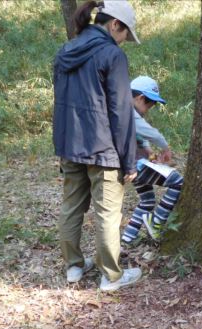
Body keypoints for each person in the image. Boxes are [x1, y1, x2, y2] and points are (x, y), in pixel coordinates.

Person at [54, 0, 143, 292]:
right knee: (107, 212)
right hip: (103, 148)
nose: (124, 41)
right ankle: (111, 276)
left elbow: (62, 102)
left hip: (69, 143)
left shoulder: (66, 51)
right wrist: (129, 160)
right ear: (114, 24)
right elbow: (121, 112)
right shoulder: (111, 55)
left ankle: (74, 267)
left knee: (71, 206)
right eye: (125, 34)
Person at [121, 76, 183, 245]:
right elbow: (149, 132)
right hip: (134, 165)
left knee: (147, 201)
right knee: (178, 182)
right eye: (151, 104)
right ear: (140, 98)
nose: (150, 108)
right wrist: (165, 148)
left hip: (131, 165)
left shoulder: (120, 109)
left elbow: (138, 136)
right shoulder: (127, 110)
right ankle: (156, 223)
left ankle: (127, 239)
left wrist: (149, 153)